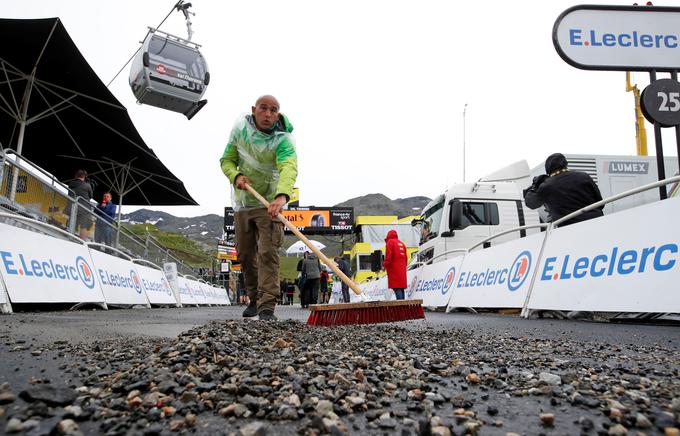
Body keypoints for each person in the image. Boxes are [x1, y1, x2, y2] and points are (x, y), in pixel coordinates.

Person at [220, 95, 297, 321]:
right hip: (244, 203)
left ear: (278, 114)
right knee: (245, 255)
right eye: (263, 108)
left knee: (268, 253)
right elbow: (226, 160)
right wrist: (236, 175)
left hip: (270, 204)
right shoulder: (240, 130)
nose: (268, 114)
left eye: (274, 110)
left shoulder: (284, 140)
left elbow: (288, 167)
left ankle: (267, 306)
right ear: (254, 109)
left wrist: (282, 196)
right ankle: (253, 299)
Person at [523, 153, 604, 227]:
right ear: (566, 164)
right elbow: (600, 202)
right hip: (597, 223)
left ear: (548, 168)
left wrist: (535, 186)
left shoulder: (547, 185)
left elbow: (531, 203)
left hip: (570, 229)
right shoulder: (584, 176)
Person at [67, 169, 94, 240]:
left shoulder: (71, 184)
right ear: (84, 176)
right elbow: (91, 195)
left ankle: (69, 238)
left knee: (72, 223)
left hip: (72, 207)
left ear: (76, 176)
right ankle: (82, 242)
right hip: (84, 209)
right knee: (83, 226)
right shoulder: (87, 185)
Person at [383, 230, 408, 300]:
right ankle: (403, 307)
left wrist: (384, 265)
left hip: (394, 272)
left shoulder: (390, 242)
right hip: (402, 272)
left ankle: (400, 308)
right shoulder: (402, 244)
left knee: (397, 288)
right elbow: (406, 259)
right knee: (401, 289)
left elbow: (388, 257)